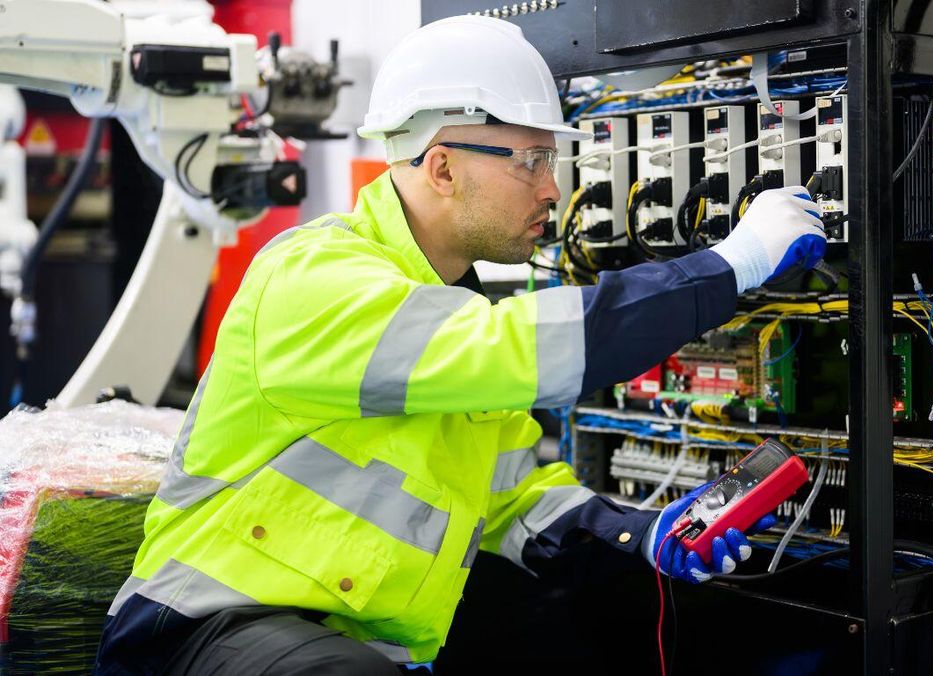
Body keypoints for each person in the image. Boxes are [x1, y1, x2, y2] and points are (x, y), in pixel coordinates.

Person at [94, 15, 825, 675]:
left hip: (342, 645)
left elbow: (513, 495)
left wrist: (644, 533)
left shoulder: (451, 312)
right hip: (200, 631)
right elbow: (522, 349)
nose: (553, 191)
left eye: (554, 162)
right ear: (442, 167)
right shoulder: (314, 275)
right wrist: (734, 265)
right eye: (531, 161)